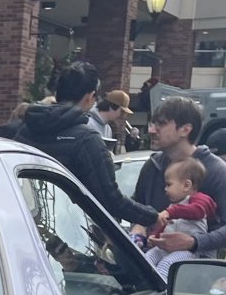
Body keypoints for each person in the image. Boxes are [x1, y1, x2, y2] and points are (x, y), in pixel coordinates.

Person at [18, 62, 160, 228]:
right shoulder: (86, 139)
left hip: (21, 222)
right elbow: (111, 199)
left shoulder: (23, 129)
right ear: (90, 96)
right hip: (66, 232)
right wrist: (152, 217)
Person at [133, 96, 226, 258]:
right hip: (148, 267)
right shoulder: (152, 166)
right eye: (152, 123)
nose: (152, 130)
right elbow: (137, 213)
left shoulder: (216, 170)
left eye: (162, 124)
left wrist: (193, 242)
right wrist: (137, 229)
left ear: (185, 129)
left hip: (193, 272)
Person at [140, 157, 218, 279]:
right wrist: (155, 236)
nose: (165, 189)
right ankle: (143, 288)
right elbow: (164, 225)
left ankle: (163, 292)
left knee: (166, 266)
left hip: (188, 251)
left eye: (168, 184)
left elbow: (197, 211)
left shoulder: (200, 199)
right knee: (146, 260)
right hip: (165, 247)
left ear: (186, 185)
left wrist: (169, 212)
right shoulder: (173, 206)